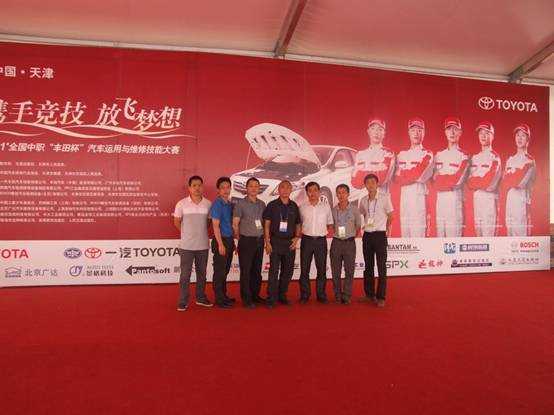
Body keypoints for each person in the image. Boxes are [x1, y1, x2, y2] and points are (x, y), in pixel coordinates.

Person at [173, 175, 212, 311]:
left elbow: (208, 223)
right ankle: (183, 301)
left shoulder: (208, 204)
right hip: (186, 246)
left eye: (199, 185)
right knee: (185, 275)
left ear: (202, 187)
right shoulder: (181, 204)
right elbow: (176, 222)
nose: (197, 188)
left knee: (202, 274)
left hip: (203, 245)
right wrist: (187, 233)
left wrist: (198, 232)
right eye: (194, 185)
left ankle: (200, 298)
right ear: (189, 188)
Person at [263, 180, 301, 308]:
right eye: (282, 187)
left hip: (289, 243)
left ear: (291, 190)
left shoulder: (294, 206)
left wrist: (296, 238)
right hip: (275, 241)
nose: (285, 190)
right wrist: (267, 242)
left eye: (287, 188)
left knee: (287, 271)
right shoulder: (272, 205)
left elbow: (298, 224)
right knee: (273, 271)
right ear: (278, 190)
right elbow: (267, 225)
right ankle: (271, 297)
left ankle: (282, 295)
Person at [395, 117, 434, 237]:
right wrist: (412, 174)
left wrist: (405, 174)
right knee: (405, 241)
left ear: (424, 132)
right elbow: (396, 178)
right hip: (404, 202)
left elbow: (420, 175)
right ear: (408, 132)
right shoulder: (401, 155)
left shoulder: (427, 154)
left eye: (419, 130)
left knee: (419, 240)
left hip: (419, 202)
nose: (416, 133)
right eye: (413, 130)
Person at [359, 174, 393, 307]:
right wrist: (365, 226)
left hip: (380, 235)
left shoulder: (384, 198)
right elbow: (363, 214)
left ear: (377, 184)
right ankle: (369, 294)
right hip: (367, 236)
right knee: (368, 266)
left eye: (373, 182)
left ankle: (381, 297)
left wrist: (386, 228)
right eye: (368, 182)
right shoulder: (363, 200)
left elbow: (390, 216)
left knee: (381, 267)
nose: (370, 185)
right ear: (365, 185)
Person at [232, 177, 266, 308]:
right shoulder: (240, 204)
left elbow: (264, 223)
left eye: (256, 186)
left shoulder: (262, 204)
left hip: (259, 240)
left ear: (259, 188)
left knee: (257, 271)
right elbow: (235, 224)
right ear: (246, 188)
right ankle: (246, 299)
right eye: (251, 186)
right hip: (246, 241)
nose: (253, 188)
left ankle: (255, 296)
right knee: (246, 271)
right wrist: (239, 239)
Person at [298, 182, 333, 304]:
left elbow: (329, 223)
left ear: (319, 192)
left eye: (315, 190)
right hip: (306, 240)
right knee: (304, 270)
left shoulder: (326, 207)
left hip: (320, 241)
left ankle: (321, 295)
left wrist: (320, 232)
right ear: (307, 192)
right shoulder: (302, 207)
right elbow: (299, 224)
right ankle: (305, 295)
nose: (312, 193)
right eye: (310, 190)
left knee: (321, 269)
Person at [434, 117, 469, 237]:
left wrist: (441, 179)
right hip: (440, 205)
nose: (452, 132)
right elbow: (433, 181)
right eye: (449, 129)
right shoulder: (438, 155)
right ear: (445, 132)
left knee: (454, 242)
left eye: (455, 129)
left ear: (460, 132)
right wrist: (446, 180)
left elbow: (457, 180)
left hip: (454, 205)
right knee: (439, 241)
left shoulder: (464, 156)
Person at [467, 122, 502, 237]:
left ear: (492, 136)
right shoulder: (474, 158)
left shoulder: (495, 157)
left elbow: (489, 183)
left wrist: (477, 180)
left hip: (489, 202)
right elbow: (469, 183)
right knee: (479, 237)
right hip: (477, 201)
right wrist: (480, 180)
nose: (483, 136)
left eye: (487, 133)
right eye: (481, 133)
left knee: (489, 239)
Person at [330, 184, 361, 305]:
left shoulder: (354, 209)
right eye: (339, 192)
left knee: (349, 270)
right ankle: (337, 294)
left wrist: (350, 236)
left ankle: (347, 295)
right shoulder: (333, 210)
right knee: (335, 271)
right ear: (336, 195)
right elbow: (332, 226)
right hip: (336, 243)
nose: (341, 195)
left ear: (348, 194)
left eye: (343, 192)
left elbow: (358, 226)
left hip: (349, 243)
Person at [503, 124, 536, 236]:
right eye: (517, 135)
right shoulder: (510, 160)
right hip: (510, 200)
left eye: (523, 135)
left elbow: (519, 183)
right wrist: (515, 174)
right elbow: (505, 182)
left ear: (528, 139)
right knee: (510, 234)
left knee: (521, 236)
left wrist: (511, 176)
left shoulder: (530, 161)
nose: (519, 138)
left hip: (522, 201)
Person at [210, 177, 236, 308]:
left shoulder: (230, 204)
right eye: (222, 188)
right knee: (219, 271)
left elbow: (230, 225)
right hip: (221, 240)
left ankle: (224, 296)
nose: (226, 190)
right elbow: (215, 226)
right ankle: (219, 299)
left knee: (225, 271)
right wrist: (220, 244)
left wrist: (233, 242)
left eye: (227, 187)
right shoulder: (217, 204)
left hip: (229, 240)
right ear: (218, 190)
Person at [351, 118, 395, 194]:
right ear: (368, 132)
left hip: (381, 198)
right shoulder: (360, 154)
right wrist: (373, 172)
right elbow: (354, 182)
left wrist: (362, 173)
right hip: (363, 198)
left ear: (384, 133)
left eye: (380, 129)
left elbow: (382, 178)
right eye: (373, 129)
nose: (376, 132)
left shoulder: (388, 154)